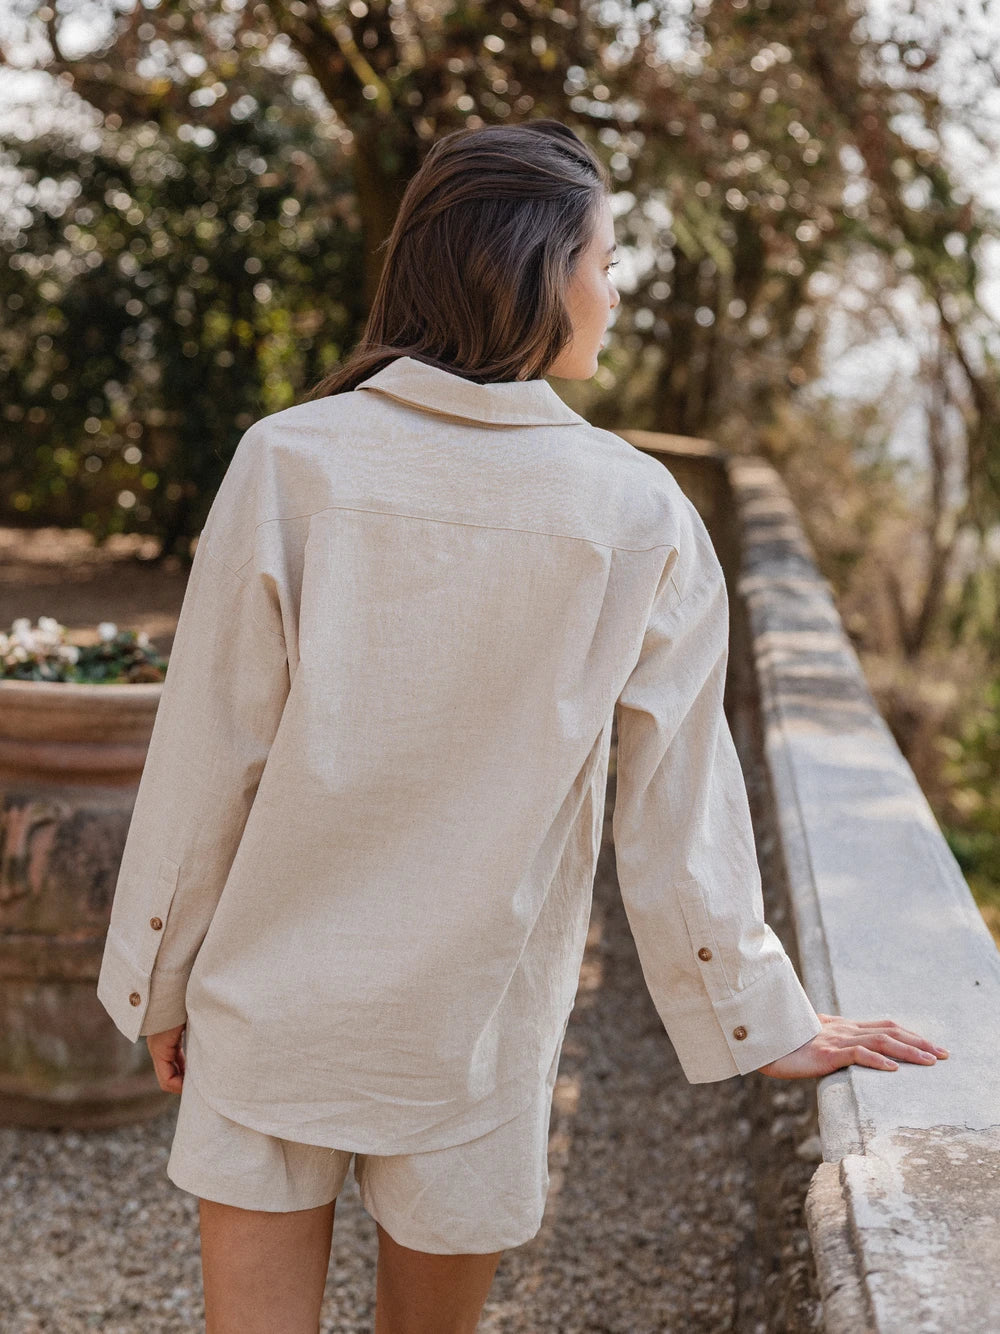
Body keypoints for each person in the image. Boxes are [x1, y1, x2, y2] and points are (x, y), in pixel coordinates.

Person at [97, 120, 947, 1334]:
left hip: (268, 1005)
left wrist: (159, 979)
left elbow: (205, 762)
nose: (614, 291)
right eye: (605, 260)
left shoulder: (289, 462)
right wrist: (767, 1019)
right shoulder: (637, 510)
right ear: (535, 266)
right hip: (477, 1036)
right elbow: (678, 807)